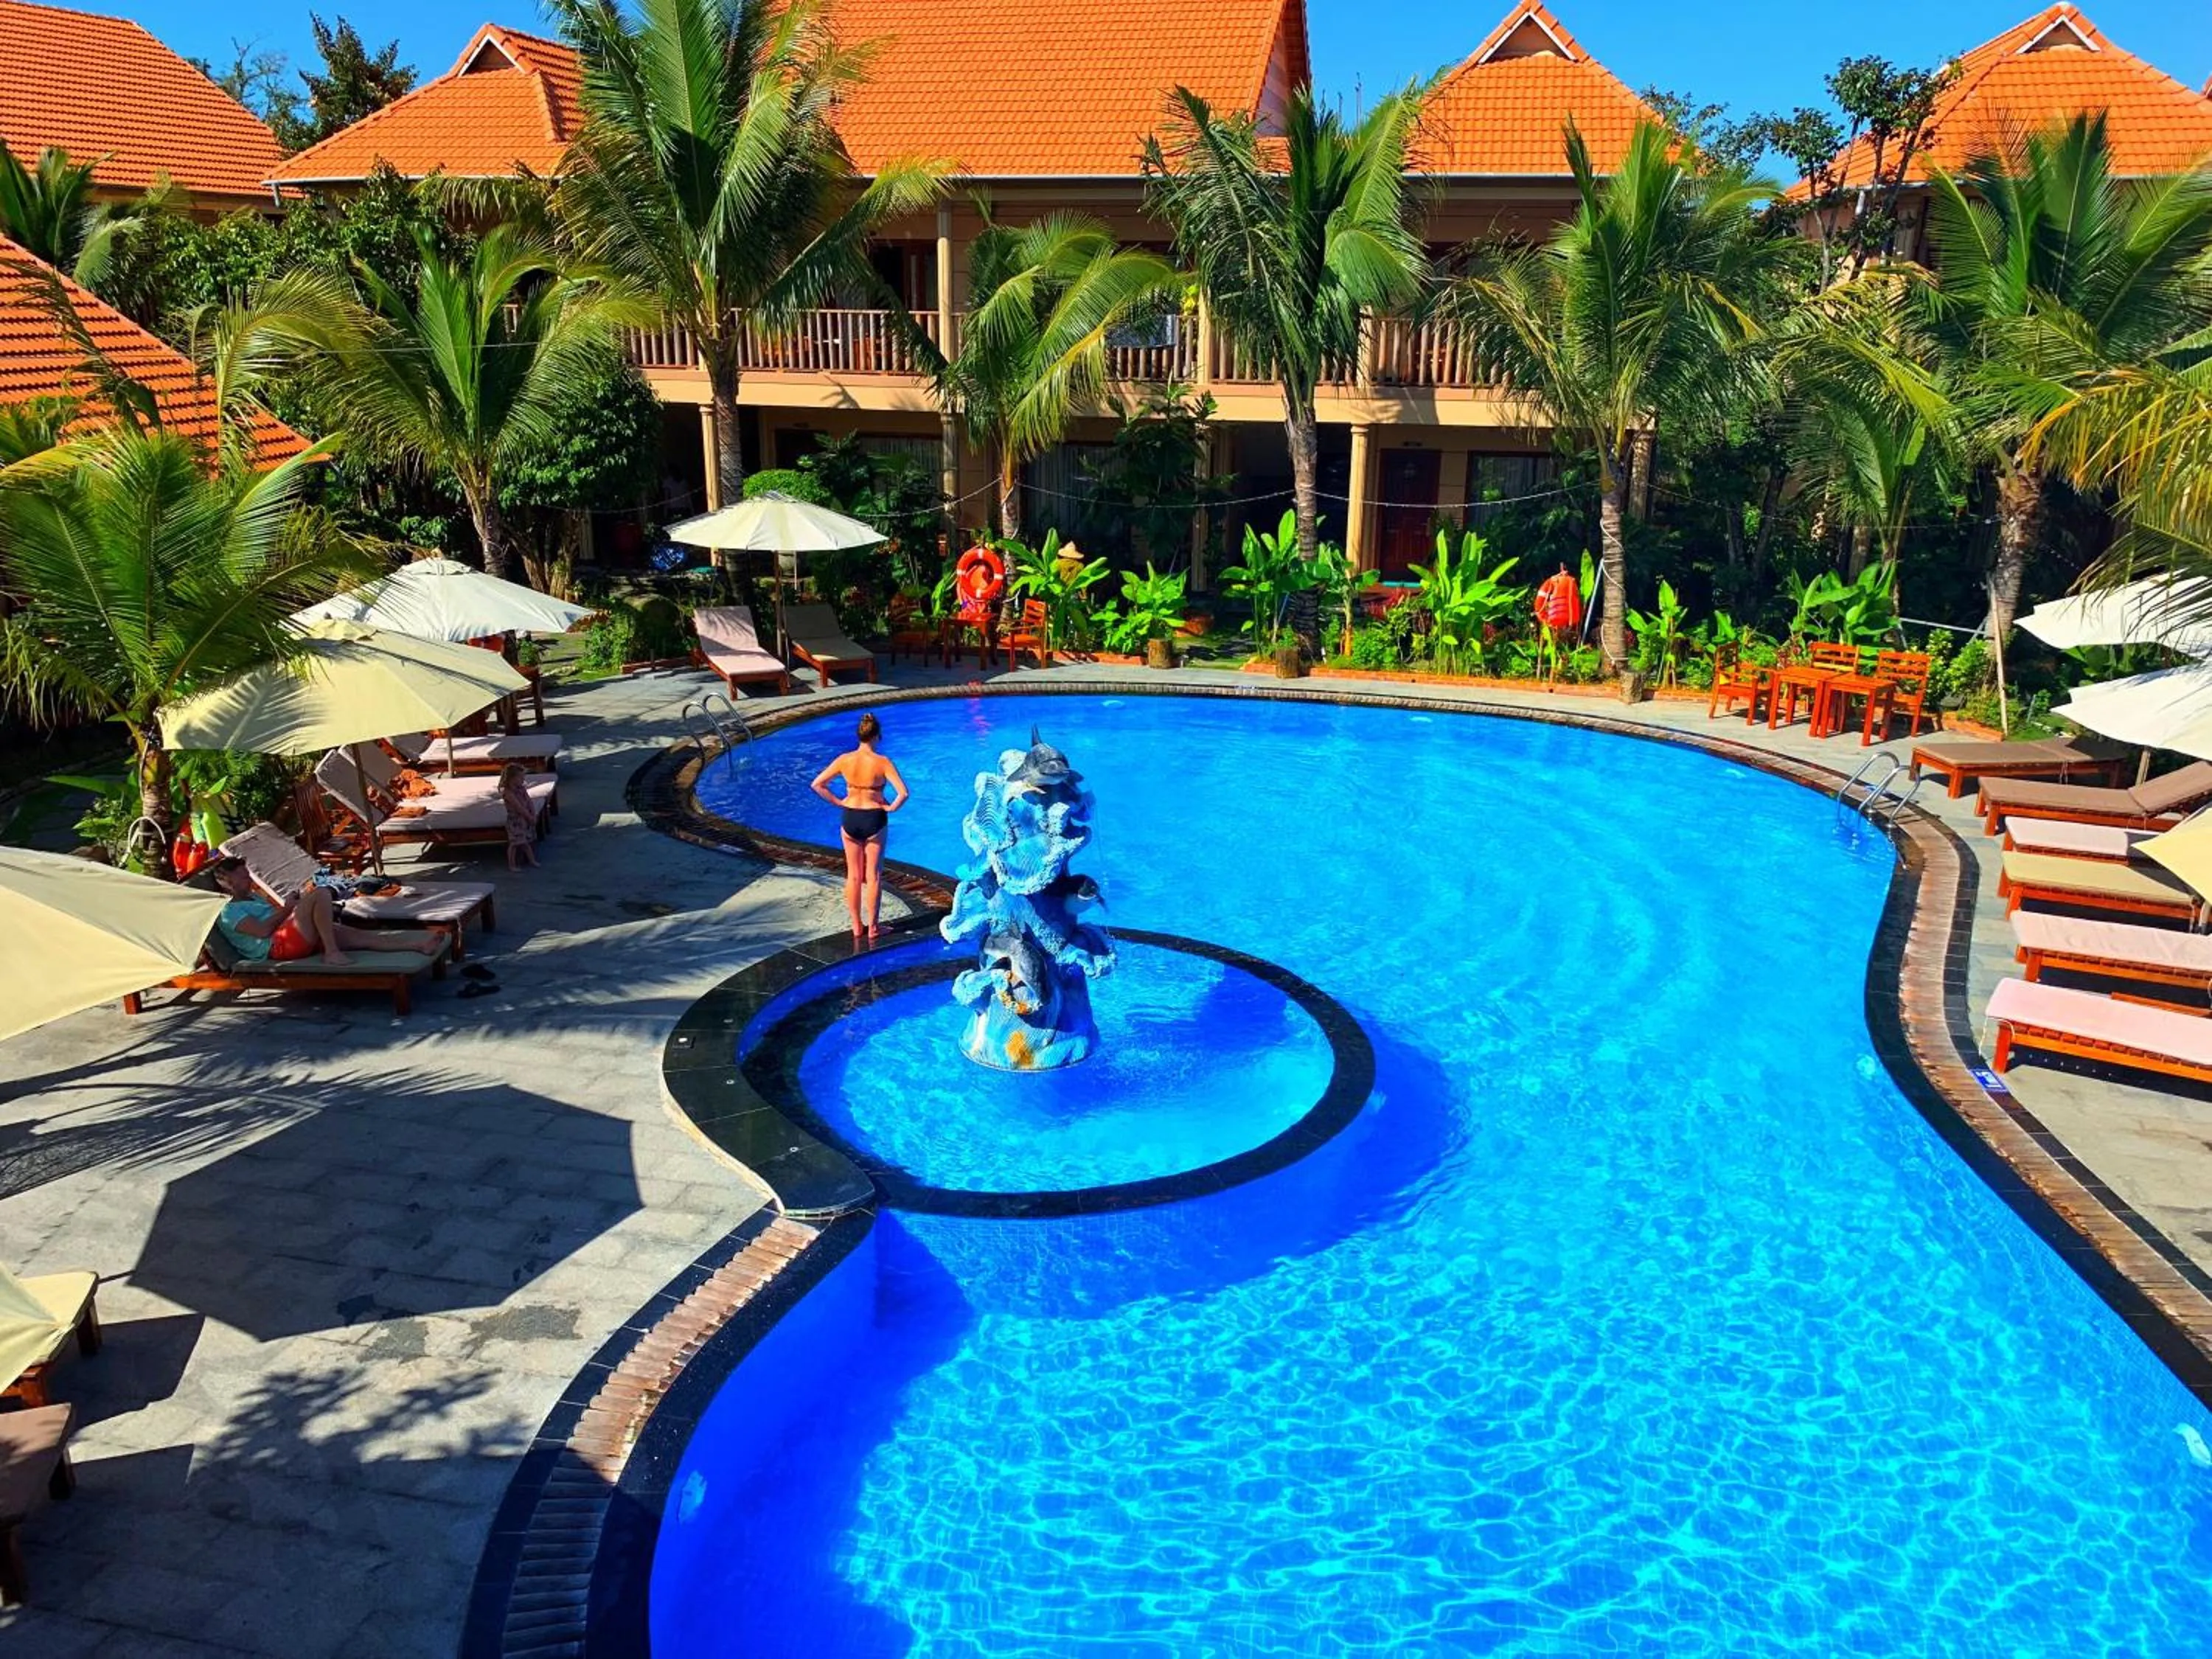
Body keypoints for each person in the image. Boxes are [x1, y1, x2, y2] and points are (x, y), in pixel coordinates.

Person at [207, 858, 442, 968]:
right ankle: (331, 951)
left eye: (248, 874)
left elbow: (277, 918)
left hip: (291, 934)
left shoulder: (253, 897)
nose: (248, 879)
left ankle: (419, 946)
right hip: (277, 947)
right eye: (242, 876)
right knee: (320, 893)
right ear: (226, 882)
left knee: (362, 937)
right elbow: (262, 931)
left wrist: (292, 907)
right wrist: (289, 908)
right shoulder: (228, 911)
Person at [810, 712, 909, 941]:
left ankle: (857, 926)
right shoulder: (883, 762)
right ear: (877, 736)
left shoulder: (845, 760)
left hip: (850, 817)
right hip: (874, 818)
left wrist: (839, 802)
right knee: (873, 876)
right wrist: (891, 808)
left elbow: (818, 784)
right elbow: (903, 793)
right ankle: (873, 928)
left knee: (853, 876)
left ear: (859, 735)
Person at [500, 762, 539, 872]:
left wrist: (533, 813)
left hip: (524, 819)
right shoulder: (508, 793)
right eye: (521, 777)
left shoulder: (521, 788)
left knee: (525, 842)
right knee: (514, 844)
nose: (523, 780)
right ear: (512, 778)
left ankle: (532, 860)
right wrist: (529, 817)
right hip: (515, 821)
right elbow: (519, 808)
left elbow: (529, 801)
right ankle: (512, 865)